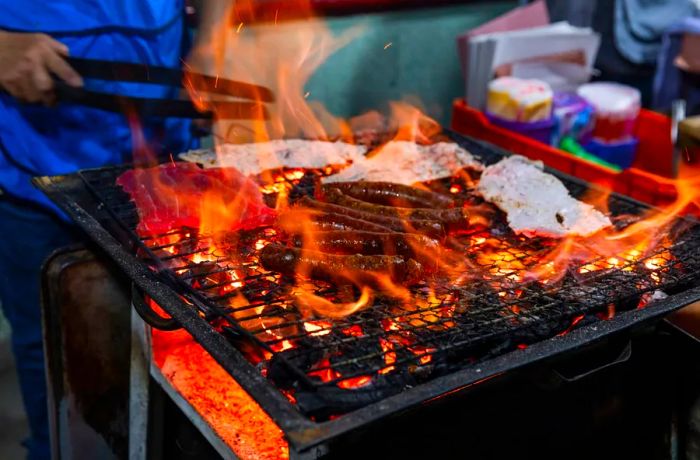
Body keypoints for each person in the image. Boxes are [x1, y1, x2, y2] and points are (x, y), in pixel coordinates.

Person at [0, 1, 231, 458]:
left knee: (175, 344)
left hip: (164, 158)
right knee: (57, 363)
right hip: (35, 163)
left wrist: (211, 41)